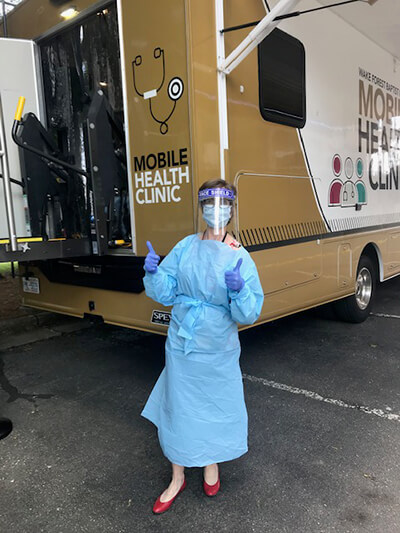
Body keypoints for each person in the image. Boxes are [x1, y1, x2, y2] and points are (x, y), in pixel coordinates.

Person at [141, 179, 264, 514]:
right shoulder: (185, 247)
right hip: (183, 344)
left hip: (218, 349)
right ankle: (177, 477)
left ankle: (211, 464)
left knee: (212, 408)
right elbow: (166, 292)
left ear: (232, 209)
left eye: (222, 205)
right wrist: (153, 273)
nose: (215, 210)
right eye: (209, 204)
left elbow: (249, 311)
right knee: (179, 408)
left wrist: (239, 290)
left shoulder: (239, 255)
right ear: (201, 208)